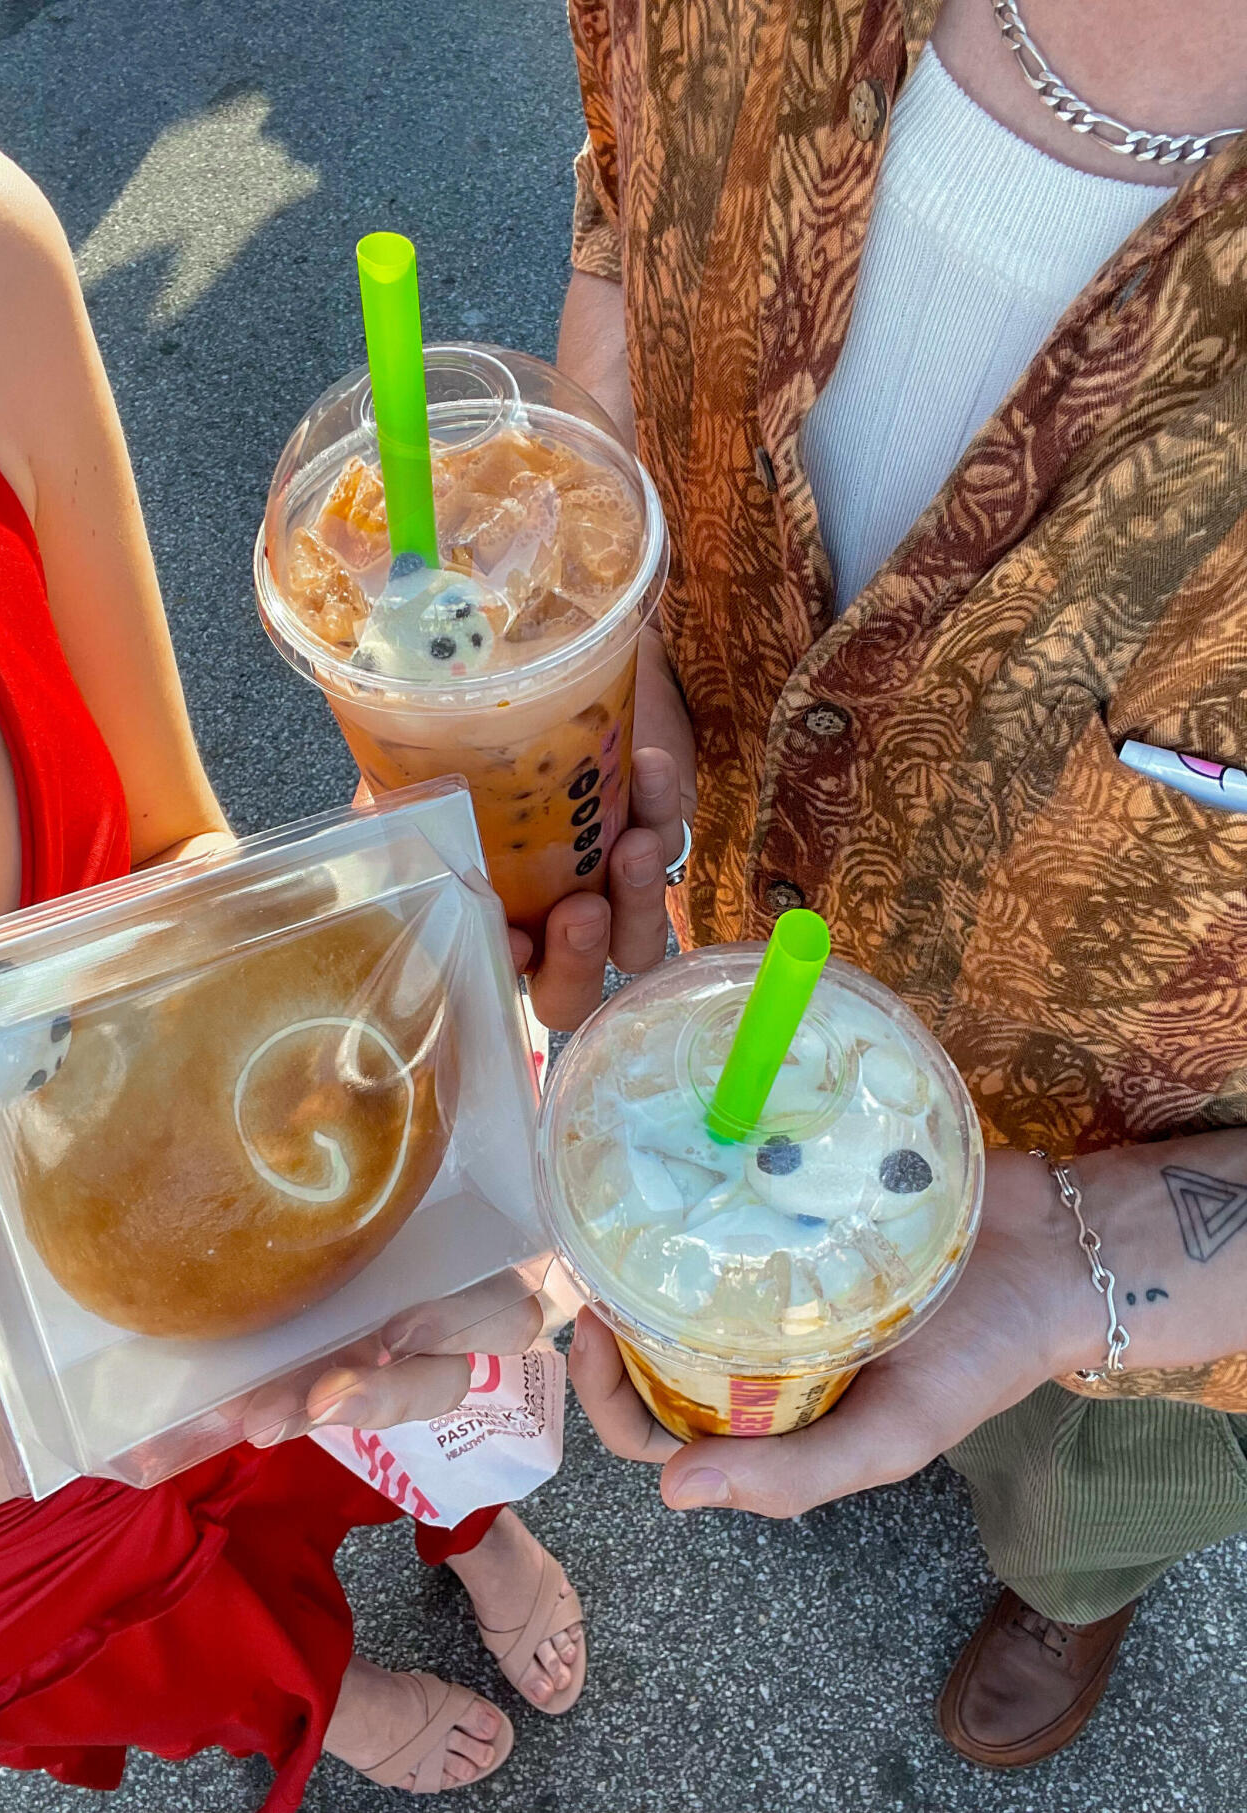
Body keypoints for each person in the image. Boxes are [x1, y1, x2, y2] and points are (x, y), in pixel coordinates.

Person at [543, 0, 1247, 1770]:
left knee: (1085, 1482)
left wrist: (1073, 1266)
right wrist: (599, 614)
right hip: (721, 938)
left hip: (1152, 1237)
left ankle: (1070, 1588)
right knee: (772, 1355)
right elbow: (628, 200)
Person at [0, 98, 585, 1804]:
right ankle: (325, 1694)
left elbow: (167, 852)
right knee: (166, 1628)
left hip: (221, 1205)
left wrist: (403, 980)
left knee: (385, 1407)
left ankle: (470, 1529)